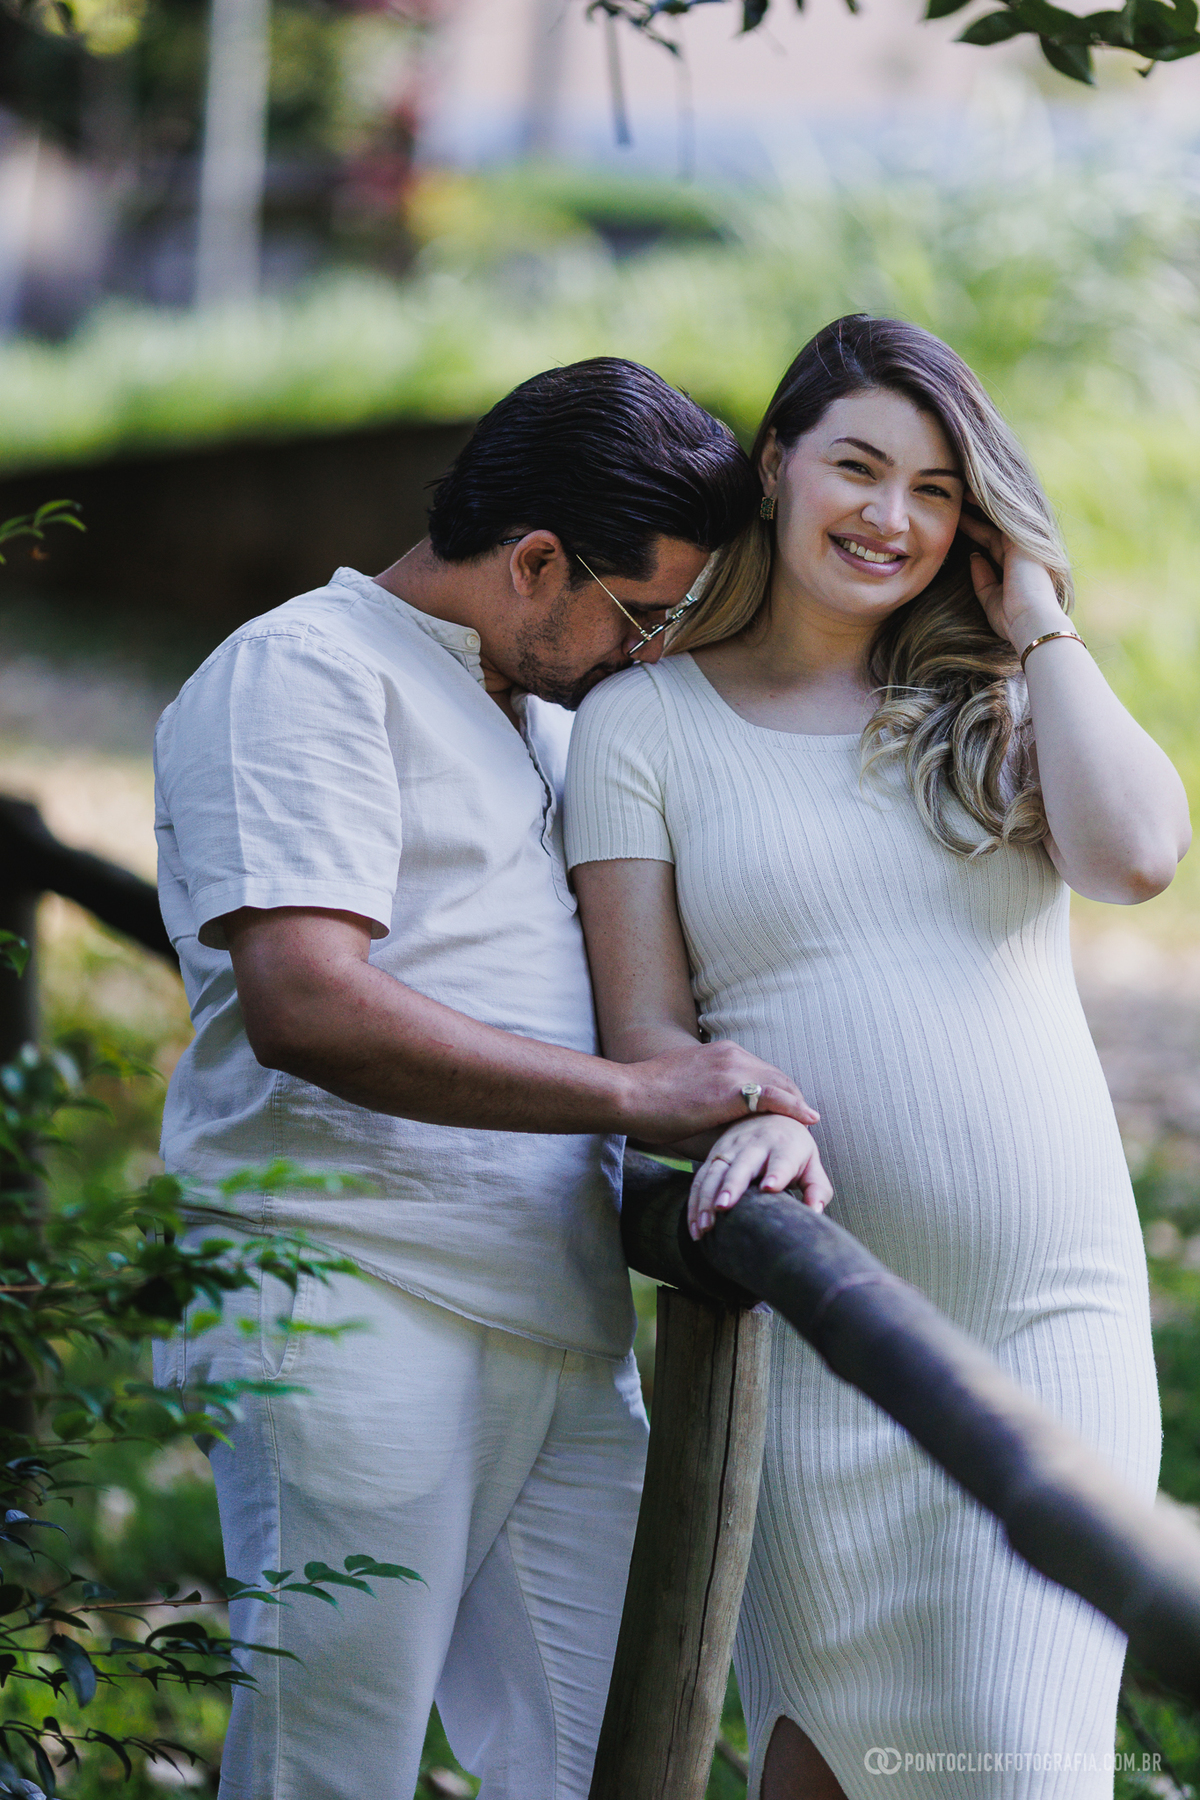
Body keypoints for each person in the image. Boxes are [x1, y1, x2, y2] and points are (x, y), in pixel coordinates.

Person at [151, 357, 822, 1800]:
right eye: (643, 614)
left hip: (557, 1312)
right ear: (534, 561)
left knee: (606, 1760)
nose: (652, 652)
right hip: (347, 1289)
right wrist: (632, 1101)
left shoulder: (556, 716)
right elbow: (306, 1002)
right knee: (332, 1767)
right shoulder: (302, 671)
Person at [565, 316, 1190, 1800]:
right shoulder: (643, 726)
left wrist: (1039, 621)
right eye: (856, 466)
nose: (890, 517)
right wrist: (748, 1112)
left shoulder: (994, 699)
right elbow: (646, 1039)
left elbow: (1139, 858)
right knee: (825, 1767)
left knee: (1017, 1767)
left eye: (936, 491)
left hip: (1051, 1325)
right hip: (811, 1341)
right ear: (777, 462)